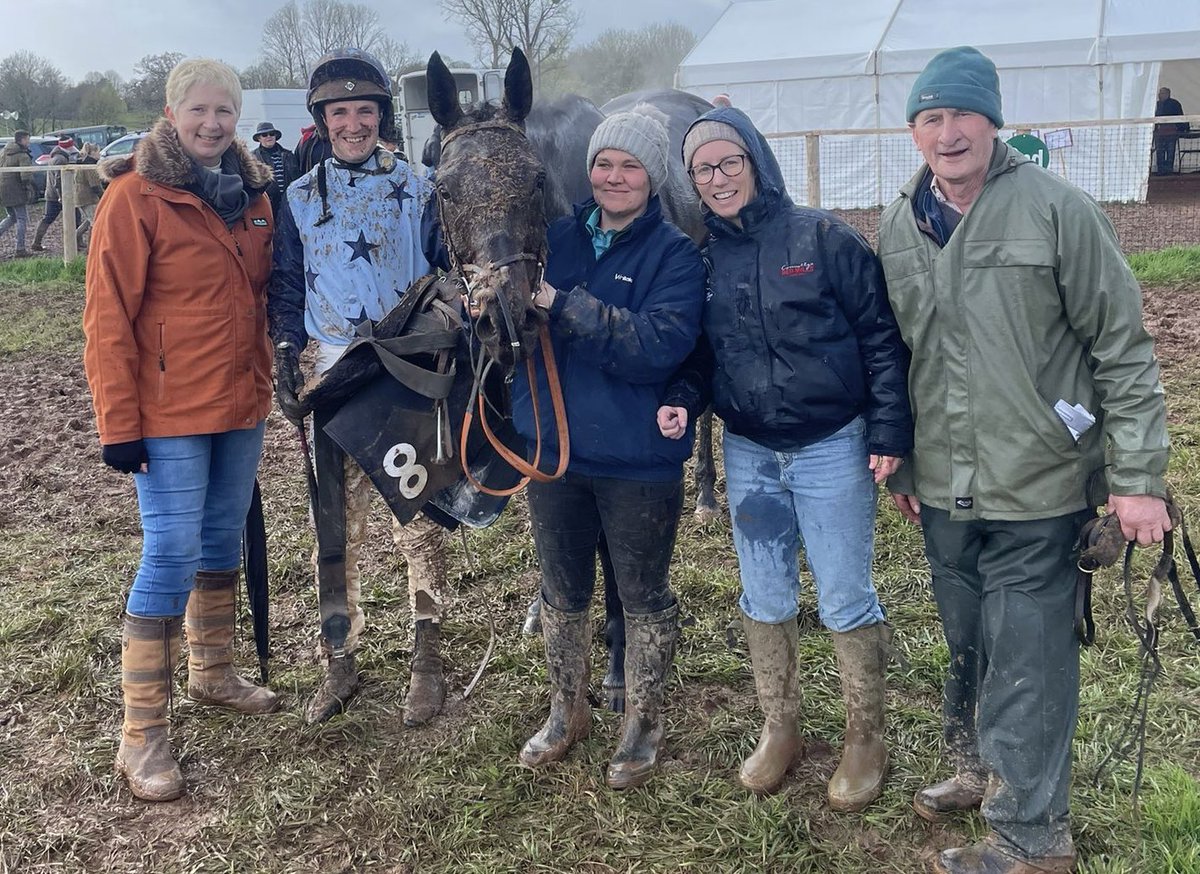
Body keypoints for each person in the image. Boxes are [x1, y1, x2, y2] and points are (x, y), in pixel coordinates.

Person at [878, 46, 1171, 874]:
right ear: (913, 131)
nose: (947, 132)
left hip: (1039, 480)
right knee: (969, 635)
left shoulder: (1057, 211)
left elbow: (1123, 348)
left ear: (992, 120)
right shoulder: (899, 221)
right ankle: (979, 767)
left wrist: (1138, 480)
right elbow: (899, 354)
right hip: (944, 483)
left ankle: (1034, 838)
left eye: (961, 114)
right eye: (929, 117)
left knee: (1031, 654)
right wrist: (903, 466)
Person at [659, 107, 913, 812]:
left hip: (833, 443)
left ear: (756, 162)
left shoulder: (822, 236)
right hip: (749, 451)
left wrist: (889, 432)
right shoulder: (704, 260)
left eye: (728, 162)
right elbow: (699, 356)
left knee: (843, 593)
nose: (717, 179)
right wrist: (683, 393)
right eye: (702, 169)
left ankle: (867, 738)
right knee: (763, 595)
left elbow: (881, 338)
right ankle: (782, 728)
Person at [82, 58, 279, 802]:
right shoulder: (134, 199)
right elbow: (107, 319)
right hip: (166, 413)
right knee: (169, 549)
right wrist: (118, 423)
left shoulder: (257, 197)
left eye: (223, 111)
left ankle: (214, 672)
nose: (211, 124)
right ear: (171, 113)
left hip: (239, 405)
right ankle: (142, 735)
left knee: (222, 540)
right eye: (197, 111)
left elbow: (268, 294)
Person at [515, 107, 706, 790]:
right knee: (562, 589)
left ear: (653, 176)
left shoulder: (676, 255)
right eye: (604, 163)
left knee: (643, 592)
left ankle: (643, 720)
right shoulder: (556, 240)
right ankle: (566, 709)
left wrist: (561, 304)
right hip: (558, 454)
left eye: (630, 165)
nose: (614, 177)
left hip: (637, 459)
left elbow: (656, 345)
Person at [268, 48, 447, 727]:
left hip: (405, 376)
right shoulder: (298, 197)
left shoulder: (423, 188)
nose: (352, 123)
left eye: (364, 110)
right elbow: (286, 284)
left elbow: (445, 274)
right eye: (339, 112)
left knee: (421, 526)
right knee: (334, 530)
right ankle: (338, 661)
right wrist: (286, 345)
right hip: (334, 380)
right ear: (322, 119)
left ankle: (426, 660)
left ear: (380, 116)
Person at [31, 135, 78, 252]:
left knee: (48, 218)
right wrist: (62, 196)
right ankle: (77, 241)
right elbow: (58, 180)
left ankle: (36, 242)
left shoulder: (55, 157)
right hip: (59, 195)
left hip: (51, 194)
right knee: (75, 217)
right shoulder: (61, 160)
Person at [0, 129, 39, 257]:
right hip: (16, 191)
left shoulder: (4, 153)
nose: (29, 142)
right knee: (22, 219)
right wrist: (27, 188)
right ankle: (20, 248)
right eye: (27, 139)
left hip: (3, 189)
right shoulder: (22, 155)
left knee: (12, 217)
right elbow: (25, 176)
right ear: (22, 140)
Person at [251, 121, 300, 217]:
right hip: (266, 205)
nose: (269, 136)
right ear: (259, 138)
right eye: (264, 135)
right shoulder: (253, 158)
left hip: (290, 203)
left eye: (271, 134)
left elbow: (298, 178)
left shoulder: (289, 155)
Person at [73, 142, 103, 252]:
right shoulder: (89, 165)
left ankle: (74, 239)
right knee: (94, 222)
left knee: (88, 221)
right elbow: (94, 184)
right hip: (87, 197)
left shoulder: (82, 163)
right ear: (93, 152)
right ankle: (91, 247)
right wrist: (103, 196)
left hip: (81, 196)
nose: (99, 154)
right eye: (98, 152)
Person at [1154, 86, 1187, 175]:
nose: (1160, 95)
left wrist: (1180, 129)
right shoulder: (1156, 105)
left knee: (1170, 152)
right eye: (1159, 93)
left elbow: (1180, 117)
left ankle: (1169, 171)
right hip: (1159, 133)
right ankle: (1160, 171)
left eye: (1162, 93)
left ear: (1168, 94)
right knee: (1160, 152)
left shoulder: (1175, 104)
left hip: (1171, 132)